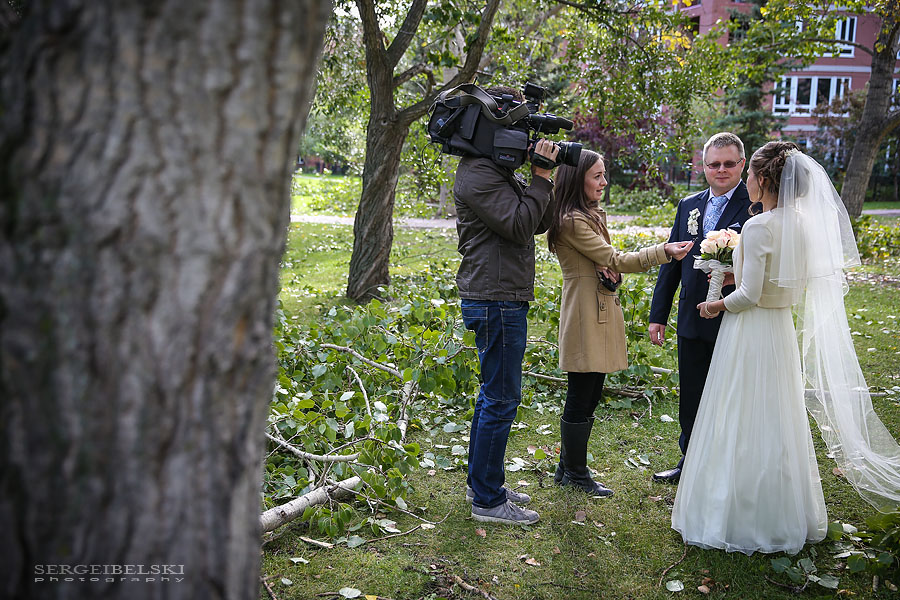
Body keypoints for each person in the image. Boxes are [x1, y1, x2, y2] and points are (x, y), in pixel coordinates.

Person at [672, 141, 900, 554]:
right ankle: (782, 511)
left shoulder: (760, 225)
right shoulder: (803, 224)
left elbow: (749, 295)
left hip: (750, 330)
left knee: (738, 413)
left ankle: (735, 514)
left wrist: (714, 304)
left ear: (761, 178)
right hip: (780, 330)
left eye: (752, 175)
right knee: (776, 416)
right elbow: (782, 284)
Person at [547, 150, 692, 496]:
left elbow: (607, 264)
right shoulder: (571, 220)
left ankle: (568, 467)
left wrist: (610, 271)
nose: (604, 182)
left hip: (598, 304)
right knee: (582, 392)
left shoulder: (590, 216)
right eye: (597, 176)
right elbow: (613, 258)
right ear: (577, 178)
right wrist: (664, 251)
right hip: (584, 311)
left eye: (603, 174)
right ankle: (575, 473)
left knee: (591, 390)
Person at [456, 88, 560, 525]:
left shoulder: (492, 172)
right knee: (500, 398)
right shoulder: (479, 174)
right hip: (497, 298)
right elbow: (520, 226)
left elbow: (536, 222)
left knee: (492, 397)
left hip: (502, 294)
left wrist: (545, 181)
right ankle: (488, 502)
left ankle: (484, 483)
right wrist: (540, 178)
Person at [648, 132, 753, 484]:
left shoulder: (756, 205)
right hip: (691, 315)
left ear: (742, 164)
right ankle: (689, 461)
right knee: (691, 392)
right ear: (703, 166)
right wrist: (657, 315)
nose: (721, 170)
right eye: (714, 164)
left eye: (729, 163)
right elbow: (672, 263)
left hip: (735, 315)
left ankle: (728, 464)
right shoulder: (688, 206)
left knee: (731, 392)